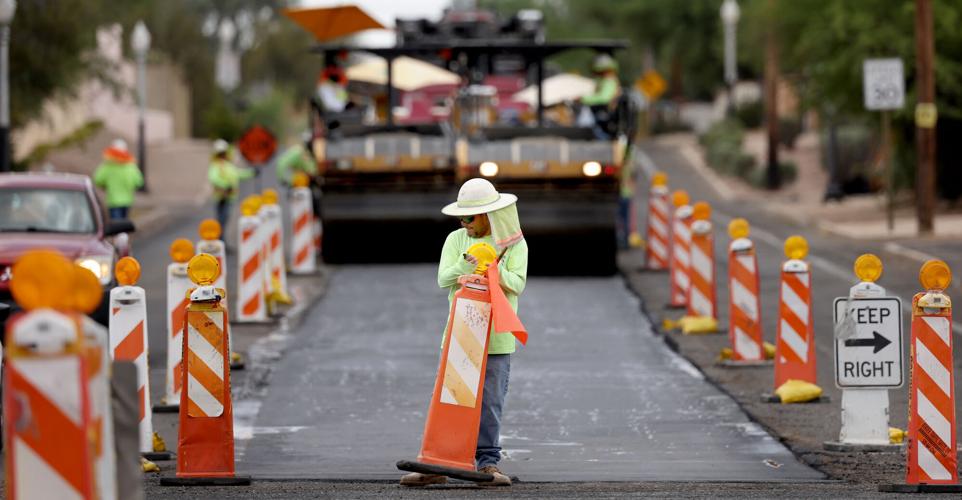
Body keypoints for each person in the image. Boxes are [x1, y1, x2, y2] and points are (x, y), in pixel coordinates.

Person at [400, 178, 528, 488]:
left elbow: (517, 283)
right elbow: (444, 279)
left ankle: (488, 464)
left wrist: (491, 270)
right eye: (462, 217)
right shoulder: (456, 240)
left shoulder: (514, 245)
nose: (464, 223)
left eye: (470, 217)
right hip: (461, 336)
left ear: (488, 215)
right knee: (452, 400)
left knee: (489, 402)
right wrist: (465, 264)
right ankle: (438, 462)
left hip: (496, 338)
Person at [207, 139, 255, 234]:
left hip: (229, 196)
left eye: (224, 153)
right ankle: (219, 239)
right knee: (221, 219)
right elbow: (213, 178)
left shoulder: (229, 165)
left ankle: (222, 239)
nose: (223, 155)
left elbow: (239, 174)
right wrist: (225, 186)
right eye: (221, 153)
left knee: (224, 220)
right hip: (220, 197)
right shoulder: (216, 165)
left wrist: (252, 173)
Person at [93, 139, 143, 220]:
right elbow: (139, 182)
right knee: (124, 222)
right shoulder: (131, 166)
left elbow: (98, 179)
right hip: (127, 200)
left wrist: (105, 186)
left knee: (117, 225)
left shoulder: (107, 166)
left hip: (113, 201)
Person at [580, 54, 622, 139]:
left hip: (606, 114)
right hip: (605, 115)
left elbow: (604, 98)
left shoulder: (609, 81)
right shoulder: (605, 81)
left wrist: (583, 99)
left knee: (586, 122)